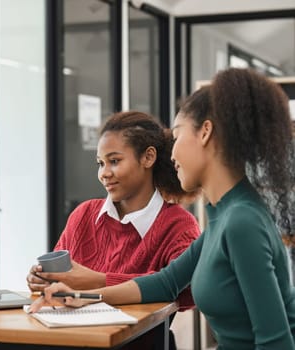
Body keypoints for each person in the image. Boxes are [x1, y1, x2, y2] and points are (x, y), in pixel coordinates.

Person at [30, 68, 295, 349]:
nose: (172, 153)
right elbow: (165, 282)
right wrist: (80, 297)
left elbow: (275, 342)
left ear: (205, 132)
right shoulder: (224, 214)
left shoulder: (241, 220)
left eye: (178, 136)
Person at [27, 111, 201, 349]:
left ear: (148, 157)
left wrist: (96, 282)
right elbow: (61, 286)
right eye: (100, 163)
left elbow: (188, 293)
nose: (104, 173)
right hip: (72, 341)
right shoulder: (84, 215)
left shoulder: (179, 224)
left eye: (114, 161)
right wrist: (43, 280)